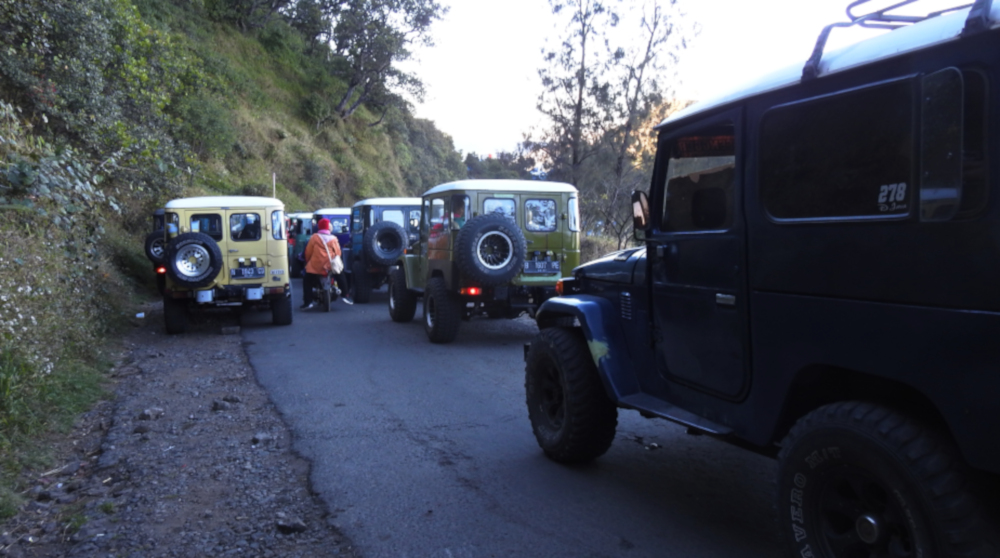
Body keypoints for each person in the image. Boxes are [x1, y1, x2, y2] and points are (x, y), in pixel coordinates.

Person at [302, 218, 353, 308]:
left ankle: (308, 302)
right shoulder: (333, 239)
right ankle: (345, 295)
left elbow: (308, 252)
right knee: (341, 275)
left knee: (307, 281)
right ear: (329, 228)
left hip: (315, 266)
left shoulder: (314, 237)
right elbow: (338, 253)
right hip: (330, 265)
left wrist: (308, 261)